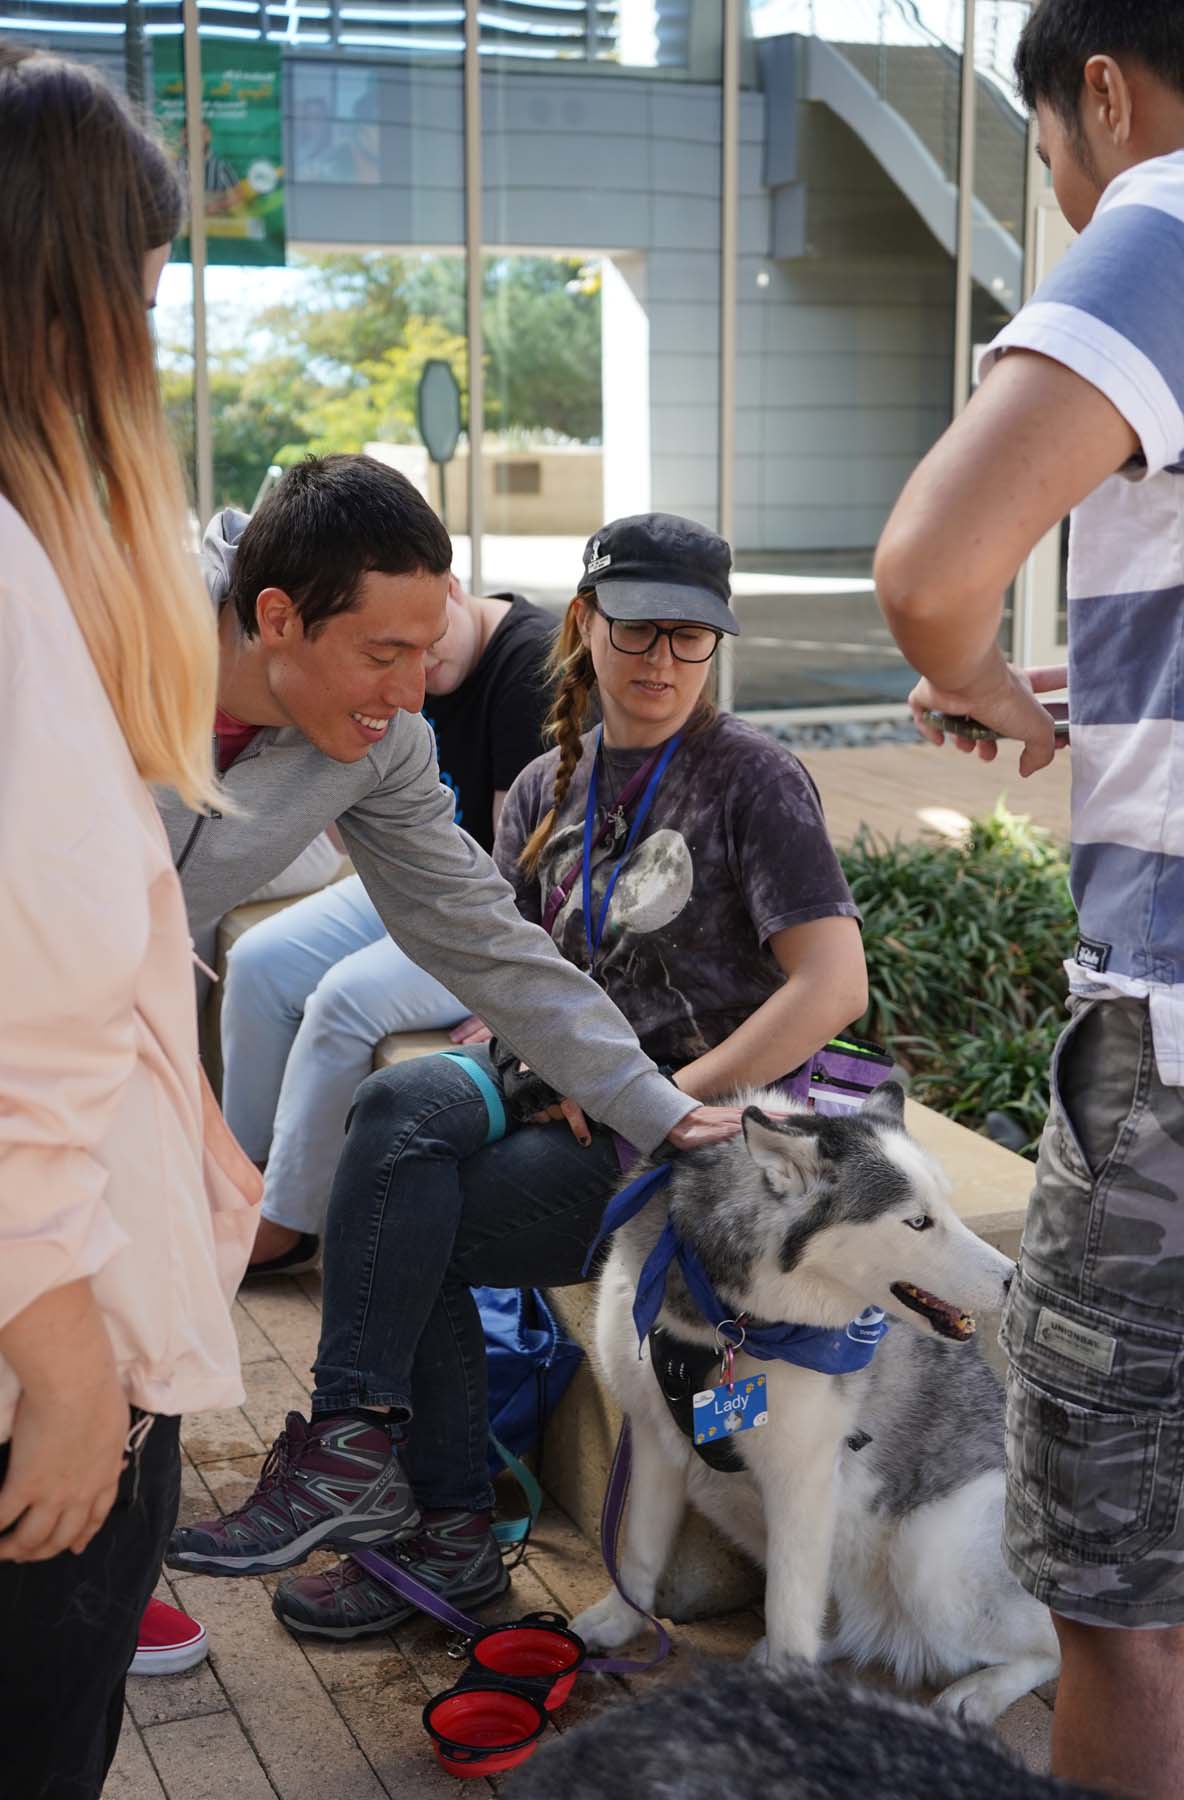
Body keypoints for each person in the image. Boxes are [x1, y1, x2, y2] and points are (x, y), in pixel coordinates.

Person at [166, 512, 868, 1642]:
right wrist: (512, 1061)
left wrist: (663, 1093)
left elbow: (834, 989)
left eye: (691, 638)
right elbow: (497, 959)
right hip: (555, 1084)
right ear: (586, 627)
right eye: (636, 628)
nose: (660, 660)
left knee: (413, 1219)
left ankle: (436, 1526)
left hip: (687, 1131)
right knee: (393, 1110)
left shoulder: (753, 778)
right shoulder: (548, 781)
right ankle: (363, 1457)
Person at [873, 6, 1184, 1795]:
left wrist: (976, 664)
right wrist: (1072, 693)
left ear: (1104, 90)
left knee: (1124, 1597)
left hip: (1170, 1060)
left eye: (1057, 164)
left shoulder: (1164, 219)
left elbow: (927, 569)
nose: (1069, 203)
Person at [0, 42, 258, 1796]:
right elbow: (27, 1012)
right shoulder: (2, 576)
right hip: (38, 1364)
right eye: (143, 284)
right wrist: (71, 1363)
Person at [165, 454, 736, 1181]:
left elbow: (478, 930)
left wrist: (652, 1102)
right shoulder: (98, 655)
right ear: (278, 617)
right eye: (383, 653)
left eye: (426, 651)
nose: (410, 695)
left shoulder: (386, 744)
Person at [218, 566, 555, 1275]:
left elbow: (514, 876)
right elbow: (353, 827)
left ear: (454, 591)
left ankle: (287, 1222)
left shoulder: (527, 664)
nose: (413, 678)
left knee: (344, 998)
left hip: (499, 908)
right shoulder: (404, 660)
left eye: (425, 647)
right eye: (389, 654)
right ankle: (239, 1179)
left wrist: (514, 1005)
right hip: (407, 867)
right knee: (259, 962)